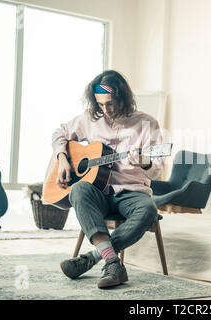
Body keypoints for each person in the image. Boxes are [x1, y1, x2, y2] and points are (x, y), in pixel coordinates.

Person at [52, 70, 164, 288]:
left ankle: (92, 258)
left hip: (132, 192)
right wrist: (63, 158)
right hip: (99, 193)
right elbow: (60, 132)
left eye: (110, 103)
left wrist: (145, 162)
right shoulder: (89, 119)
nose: (106, 110)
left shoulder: (147, 124)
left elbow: (158, 170)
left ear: (123, 97)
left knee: (149, 211)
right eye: (100, 104)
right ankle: (113, 262)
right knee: (78, 190)